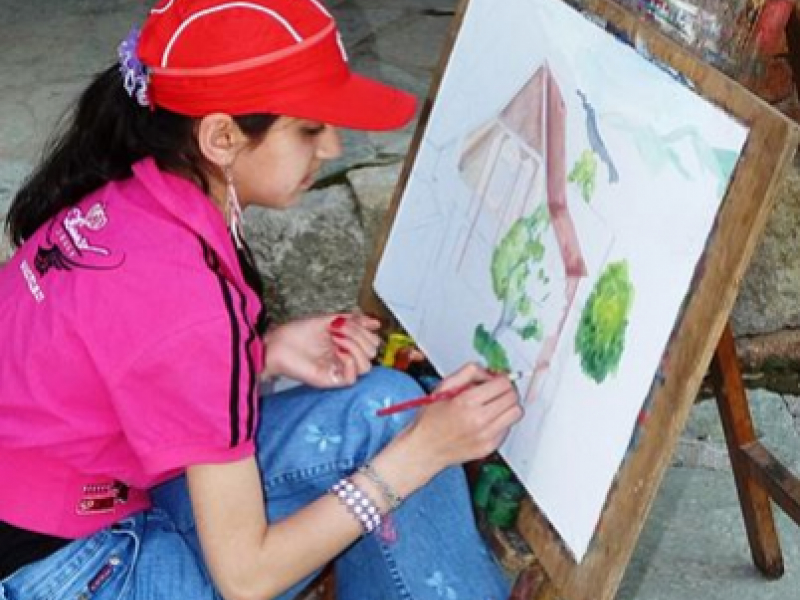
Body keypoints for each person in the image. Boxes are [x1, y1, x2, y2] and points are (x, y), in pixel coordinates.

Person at [0, 1, 524, 599]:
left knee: (387, 404)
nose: (332, 147)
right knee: (408, 445)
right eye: (309, 128)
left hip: (60, 513)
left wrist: (262, 355)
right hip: (65, 573)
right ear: (221, 136)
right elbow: (248, 577)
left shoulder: (128, 197)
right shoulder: (191, 300)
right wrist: (420, 457)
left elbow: (133, 368)